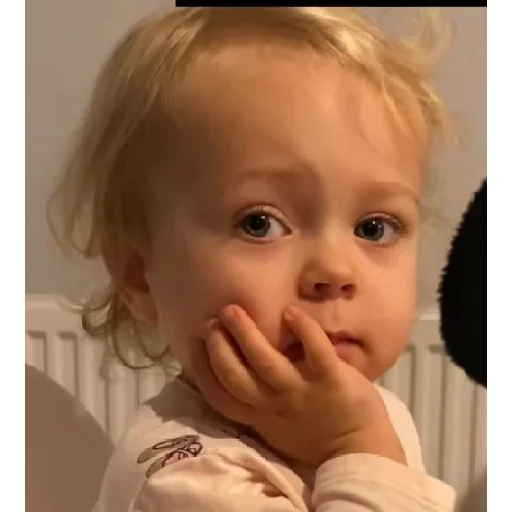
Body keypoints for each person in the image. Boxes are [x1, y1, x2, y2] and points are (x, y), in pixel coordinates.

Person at [49, 7, 457, 511]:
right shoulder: (188, 480)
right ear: (139, 274)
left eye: (375, 228)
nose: (335, 271)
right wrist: (358, 445)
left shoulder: (362, 411)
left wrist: (357, 438)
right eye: (259, 223)